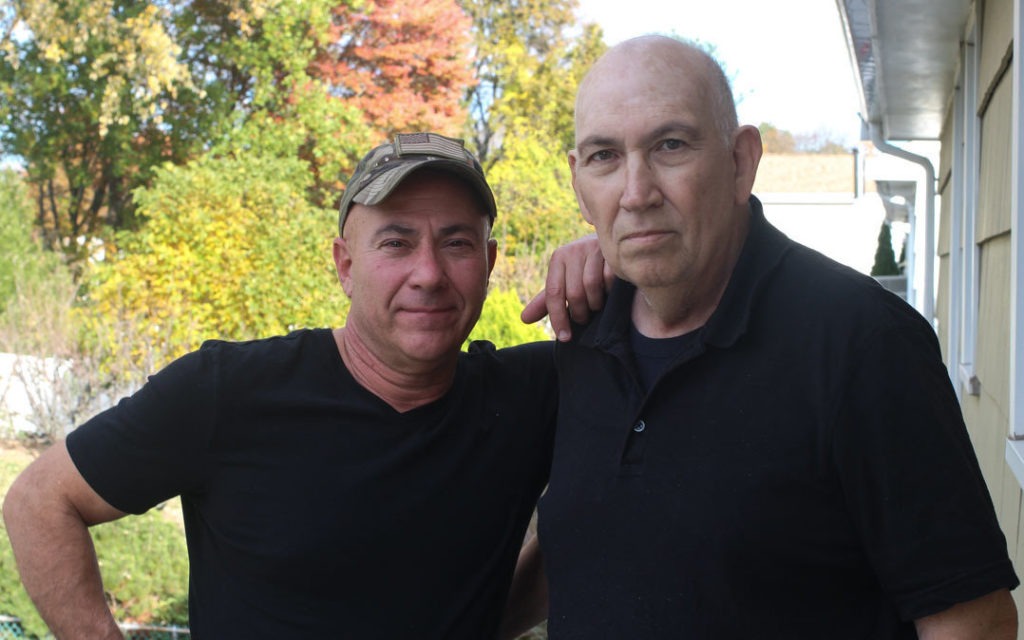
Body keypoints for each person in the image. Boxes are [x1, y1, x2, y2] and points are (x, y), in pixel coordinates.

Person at [506, 35, 1020, 639]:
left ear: (741, 160)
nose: (636, 192)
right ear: (577, 180)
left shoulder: (862, 343)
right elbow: (586, 543)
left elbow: (973, 623)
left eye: (670, 146)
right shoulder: (581, 337)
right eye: (604, 157)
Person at [2, 132, 603, 639]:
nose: (429, 273)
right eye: (396, 242)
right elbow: (39, 502)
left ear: (490, 262)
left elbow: (681, 311)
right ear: (344, 264)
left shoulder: (534, 396)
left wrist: (611, 255)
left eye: (457, 243)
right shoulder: (230, 393)